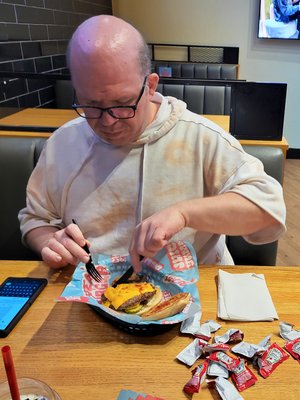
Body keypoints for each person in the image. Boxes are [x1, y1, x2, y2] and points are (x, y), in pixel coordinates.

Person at [18, 15, 286, 272]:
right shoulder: (63, 143)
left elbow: (268, 211)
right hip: (90, 293)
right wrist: (49, 243)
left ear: (150, 86)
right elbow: (36, 219)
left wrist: (184, 213)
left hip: (191, 294)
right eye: (91, 105)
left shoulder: (199, 136)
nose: (108, 121)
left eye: (122, 104)